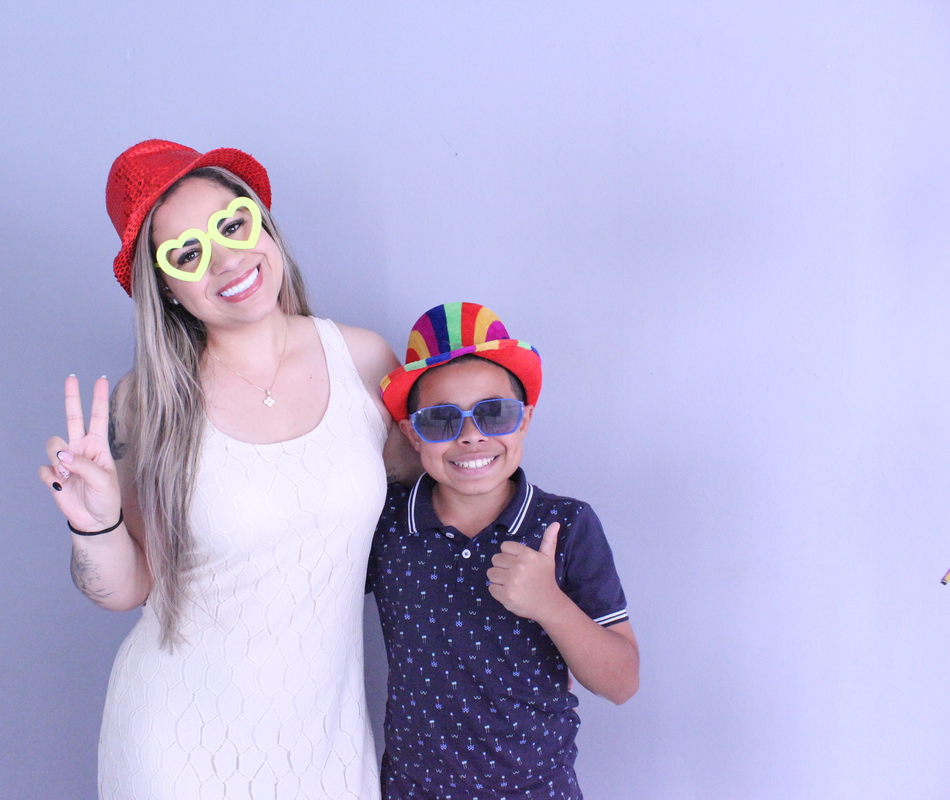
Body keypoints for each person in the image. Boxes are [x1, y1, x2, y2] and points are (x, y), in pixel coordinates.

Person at [38, 139, 413, 799]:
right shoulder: (147, 404)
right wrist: (95, 527)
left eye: (232, 225)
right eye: (187, 255)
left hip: (324, 744)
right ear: (166, 289)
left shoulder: (364, 361)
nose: (226, 258)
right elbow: (129, 587)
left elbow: (431, 509)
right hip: (178, 747)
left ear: (262, 223)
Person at [367, 302, 640, 799]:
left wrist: (550, 604)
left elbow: (622, 682)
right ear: (412, 434)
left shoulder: (566, 525)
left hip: (539, 790)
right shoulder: (384, 524)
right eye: (440, 420)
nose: (471, 436)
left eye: (494, 414)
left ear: (525, 420)